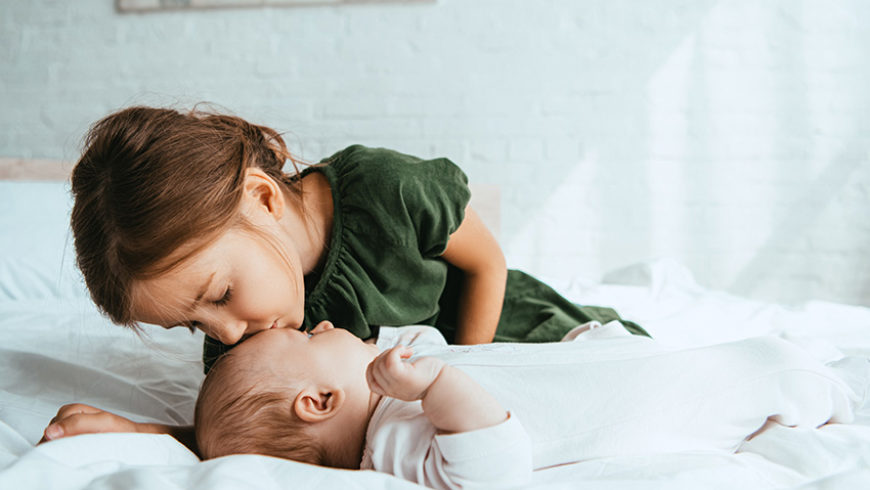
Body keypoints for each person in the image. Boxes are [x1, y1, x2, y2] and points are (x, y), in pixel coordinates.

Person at [40, 105, 647, 451]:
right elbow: (264, 430)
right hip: (441, 417)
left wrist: (467, 368)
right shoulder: (249, 338)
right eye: (192, 323)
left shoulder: (390, 189)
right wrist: (141, 430)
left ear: (263, 200)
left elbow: (487, 263)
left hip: (501, 335)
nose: (223, 334)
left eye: (220, 295)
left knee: (621, 396)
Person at [195, 322, 857, 489]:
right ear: (318, 402)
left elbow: (433, 345)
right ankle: (827, 386)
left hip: (594, 377)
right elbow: (494, 467)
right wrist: (430, 387)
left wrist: (412, 365)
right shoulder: (388, 448)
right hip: (641, 406)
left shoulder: (382, 393)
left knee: (685, 356)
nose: (323, 325)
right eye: (309, 337)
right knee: (757, 370)